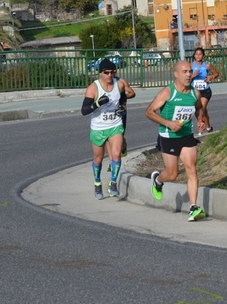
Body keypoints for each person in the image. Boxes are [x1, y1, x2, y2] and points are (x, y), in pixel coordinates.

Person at [145, 61, 206, 221]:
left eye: (190, 71)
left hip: (186, 135)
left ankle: (193, 207)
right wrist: (169, 123)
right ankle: (157, 180)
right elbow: (149, 112)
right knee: (172, 174)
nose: (188, 75)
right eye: (184, 71)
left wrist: (200, 118)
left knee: (191, 168)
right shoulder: (167, 92)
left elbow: (200, 107)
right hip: (168, 137)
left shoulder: (195, 93)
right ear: (176, 74)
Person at [81, 59, 136, 200]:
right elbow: (84, 110)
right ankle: (97, 183)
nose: (109, 75)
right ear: (100, 73)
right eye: (106, 72)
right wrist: (97, 103)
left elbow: (131, 93)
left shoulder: (120, 83)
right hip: (98, 127)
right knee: (98, 158)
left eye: (112, 72)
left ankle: (113, 183)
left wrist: (123, 99)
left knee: (116, 154)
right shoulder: (94, 88)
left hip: (115, 125)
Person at [190, 46, 219, 136]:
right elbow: (185, 78)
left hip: (205, 91)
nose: (198, 56)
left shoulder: (207, 65)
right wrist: (192, 76)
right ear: (194, 56)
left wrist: (211, 77)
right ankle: (209, 127)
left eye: (200, 54)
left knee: (201, 108)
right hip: (194, 91)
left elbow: (216, 73)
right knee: (202, 111)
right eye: (196, 54)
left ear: (203, 56)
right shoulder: (190, 65)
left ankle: (200, 131)